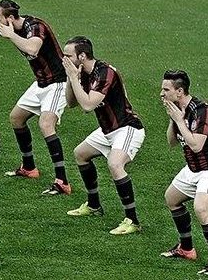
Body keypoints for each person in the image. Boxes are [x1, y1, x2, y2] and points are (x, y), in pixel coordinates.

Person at [61, 36, 145, 235]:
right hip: (107, 130)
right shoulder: (82, 72)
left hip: (127, 128)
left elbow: (87, 105)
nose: (64, 59)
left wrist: (74, 77)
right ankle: (93, 205)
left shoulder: (105, 72)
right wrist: (71, 78)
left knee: (115, 164)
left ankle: (132, 221)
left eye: (68, 56)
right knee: (80, 154)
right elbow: (71, 103)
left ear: (82, 56)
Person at [0, 0, 71, 195]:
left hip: (58, 82)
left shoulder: (36, 27)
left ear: (10, 18)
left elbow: (32, 48)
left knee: (46, 124)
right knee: (16, 118)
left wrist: (10, 34)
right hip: (41, 83)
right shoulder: (11, 25)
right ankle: (29, 167)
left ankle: (62, 181)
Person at [160, 70, 208, 276]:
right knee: (171, 198)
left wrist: (179, 120)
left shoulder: (202, 111)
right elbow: (171, 142)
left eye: (166, 89)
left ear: (179, 91)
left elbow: (196, 145)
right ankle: (186, 248)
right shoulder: (179, 110)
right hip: (194, 168)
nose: (161, 93)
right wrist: (173, 119)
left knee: (201, 208)